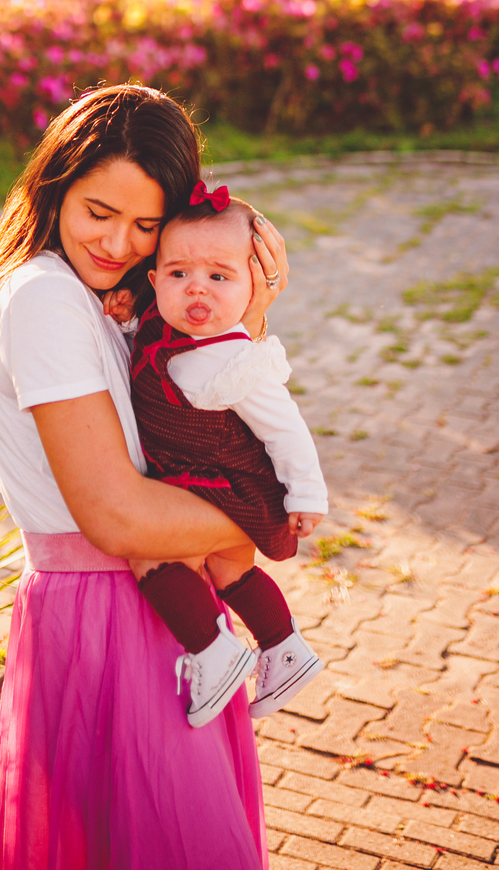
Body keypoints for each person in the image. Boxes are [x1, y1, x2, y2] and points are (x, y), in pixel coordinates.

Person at [0, 85, 292, 870]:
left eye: (147, 226)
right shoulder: (43, 296)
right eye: (98, 212)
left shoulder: (101, 298)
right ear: (54, 187)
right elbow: (115, 515)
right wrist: (266, 518)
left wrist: (253, 311)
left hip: (151, 607)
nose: (118, 242)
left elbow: (197, 434)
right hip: (107, 617)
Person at [115, 183, 328, 728]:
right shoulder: (166, 328)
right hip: (194, 476)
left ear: (252, 285)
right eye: (179, 273)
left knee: (150, 554)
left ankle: (214, 651)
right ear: (155, 280)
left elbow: (286, 429)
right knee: (228, 568)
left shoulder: (236, 359)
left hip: (229, 482)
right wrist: (124, 314)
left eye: (219, 276)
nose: (197, 291)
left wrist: (306, 494)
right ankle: (285, 648)